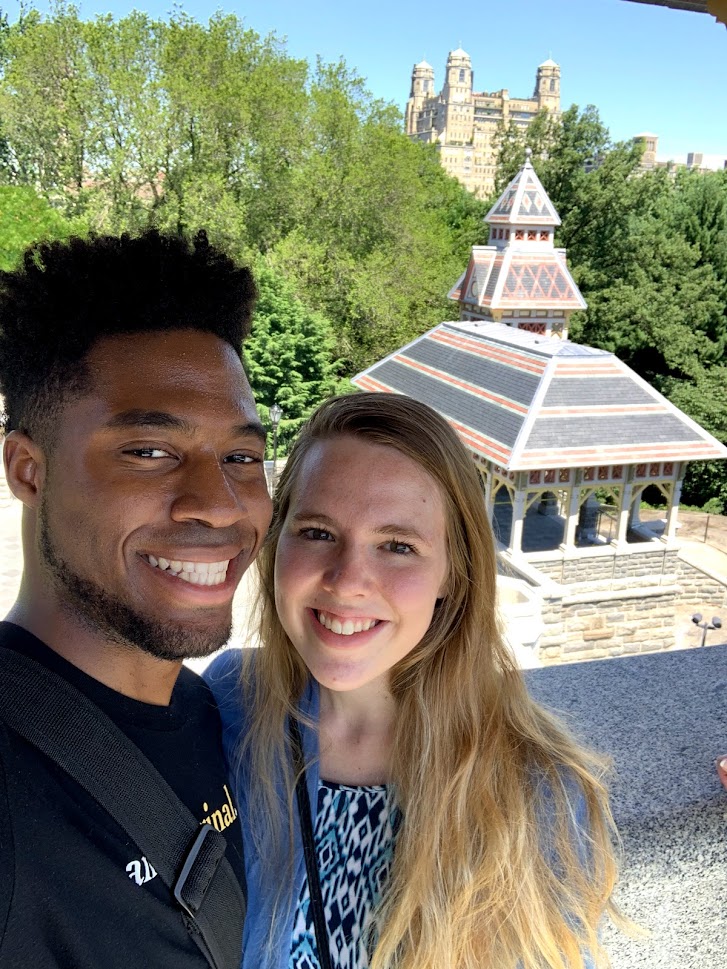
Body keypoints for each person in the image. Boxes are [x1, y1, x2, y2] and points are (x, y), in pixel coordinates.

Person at [205, 392, 621, 969]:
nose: (348, 581)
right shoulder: (229, 701)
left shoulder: (535, 787)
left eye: (398, 546)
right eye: (318, 532)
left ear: (453, 572)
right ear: (278, 544)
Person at [0, 230, 272, 968]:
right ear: (28, 469)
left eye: (241, 456)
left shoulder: (219, 715)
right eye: (149, 451)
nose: (219, 504)